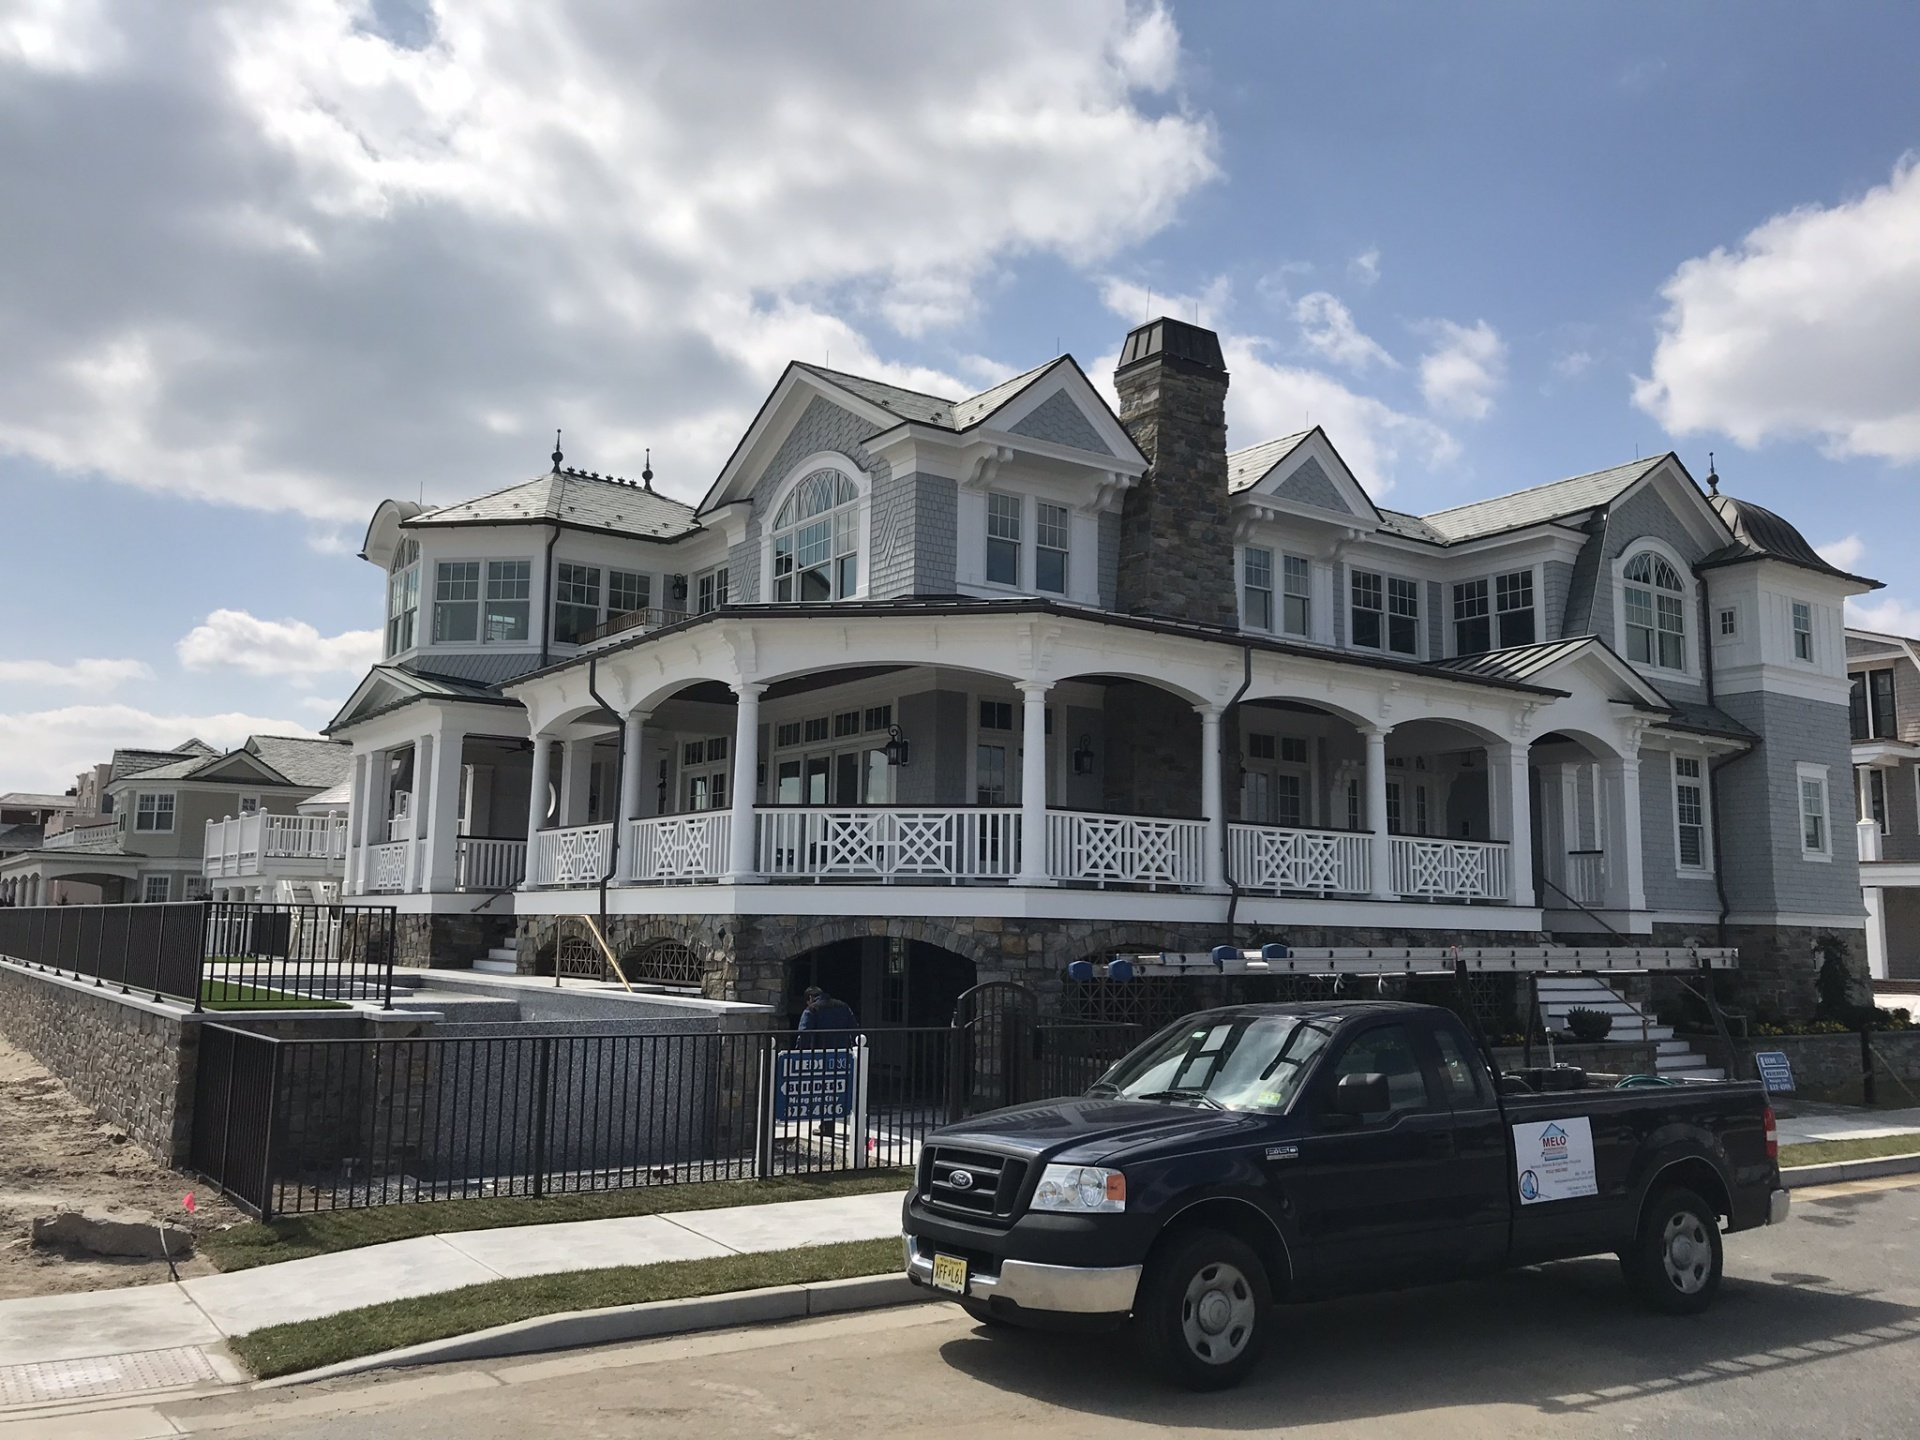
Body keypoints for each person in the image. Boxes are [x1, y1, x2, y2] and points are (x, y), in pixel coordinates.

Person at [797, 986, 859, 1137]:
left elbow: (803, 1034)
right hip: (841, 1055)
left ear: (810, 998)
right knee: (836, 1090)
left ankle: (826, 1125)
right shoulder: (843, 1006)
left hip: (820, 1056)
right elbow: (854, 1029)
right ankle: (829, 1125)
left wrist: (800, 1055)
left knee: (821, 1091)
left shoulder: (812, 1010)